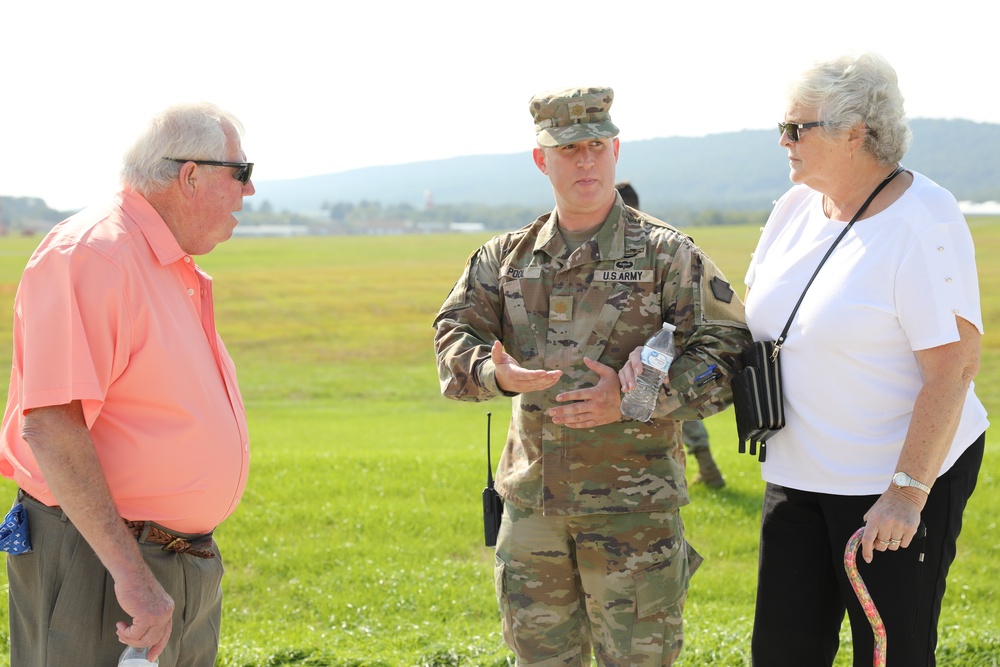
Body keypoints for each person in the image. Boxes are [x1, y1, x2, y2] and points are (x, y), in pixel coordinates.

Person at [433, 86, 751, 666]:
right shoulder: (506, 258)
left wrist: (639, 396)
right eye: (569, 148)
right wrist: (491, 373)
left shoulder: (665, 254)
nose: (585, 161)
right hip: (532, 512)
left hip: (634, 515)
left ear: (616, 150)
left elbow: (727, 348)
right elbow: (453, 333)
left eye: (597, 146)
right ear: (541, 159)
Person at [744, 53, 987, 666]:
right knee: (782, 652)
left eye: (799, 128)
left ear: (856, 133)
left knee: (889, 655)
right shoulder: (793, 209)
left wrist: (906, 494)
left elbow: (953, 368)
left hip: (893, 483)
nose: (783, 140)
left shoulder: (923, 219)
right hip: (797, 474)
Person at [0, 102, 255, 666]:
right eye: (241, 173)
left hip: (164, 559)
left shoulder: (157, 260)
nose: (250, 191)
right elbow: (51, 425)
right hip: (104, 565)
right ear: (191, 175)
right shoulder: (95, 255)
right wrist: (133, 576)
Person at [615, 181, 725, 488]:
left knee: (670, 409)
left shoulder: (660, 247)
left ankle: (706, 470)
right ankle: (708, 469)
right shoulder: (653, 242)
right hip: (659, 355)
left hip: (660, 355)